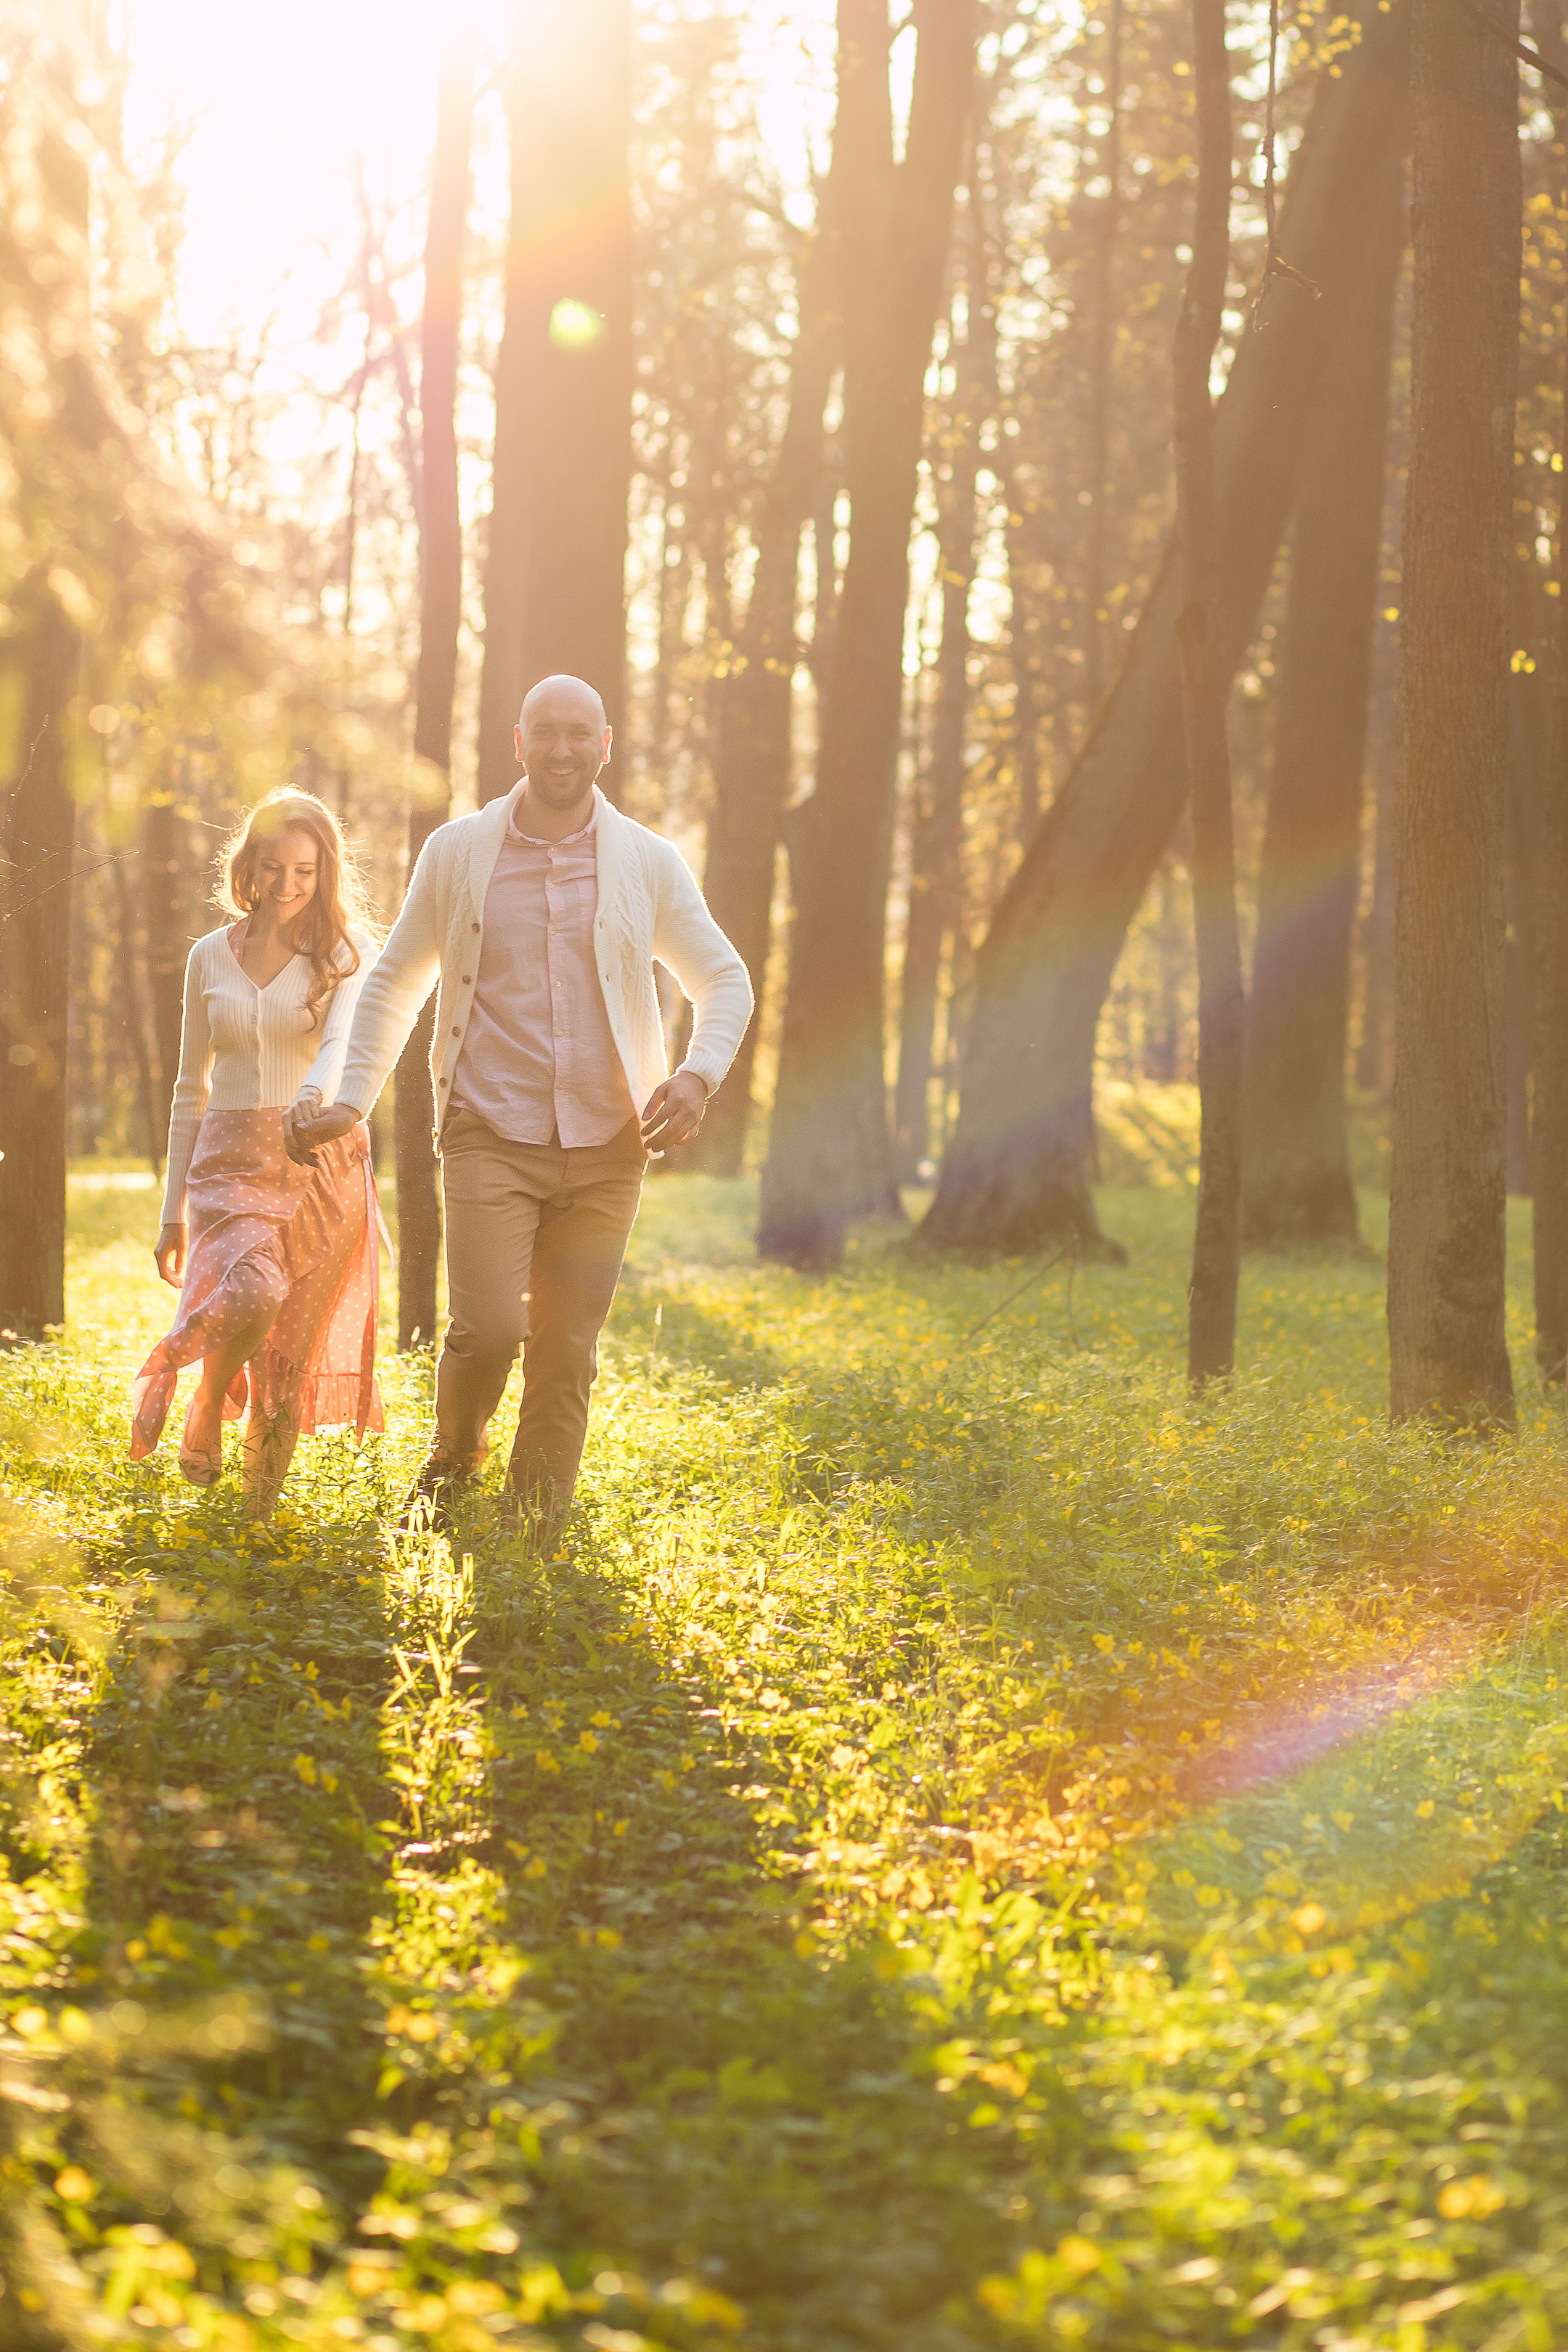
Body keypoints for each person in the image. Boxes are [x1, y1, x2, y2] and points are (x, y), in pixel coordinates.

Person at [292, 673, 753, 1548]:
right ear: (518, 740)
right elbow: (396, 979)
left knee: (566, 1343)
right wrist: (351, 1097)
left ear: (605, 745)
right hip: (487, 1130)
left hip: (611, 1141)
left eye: (581, 733)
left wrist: (696, 1077)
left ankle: (538, 1516)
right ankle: (455, 1460)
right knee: (490, 1329)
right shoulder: (460, 853)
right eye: (546, 730)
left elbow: (721, 978)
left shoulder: (647, 863)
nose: (562, 749)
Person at [130, 791, 383, 1519]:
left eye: (303, 869)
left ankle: (256, 1518)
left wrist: (311, 1096)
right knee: (252, 1291)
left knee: (288, 1355)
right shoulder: (208, 957)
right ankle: (207, 1397)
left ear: (324, 870)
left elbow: (341, 1047)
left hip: (320, 1164)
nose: (285, 885)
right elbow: (188, 1086)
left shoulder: (347, 954)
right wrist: (170, 1212)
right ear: (250, 865)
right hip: (231, 1159)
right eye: (271, 867)